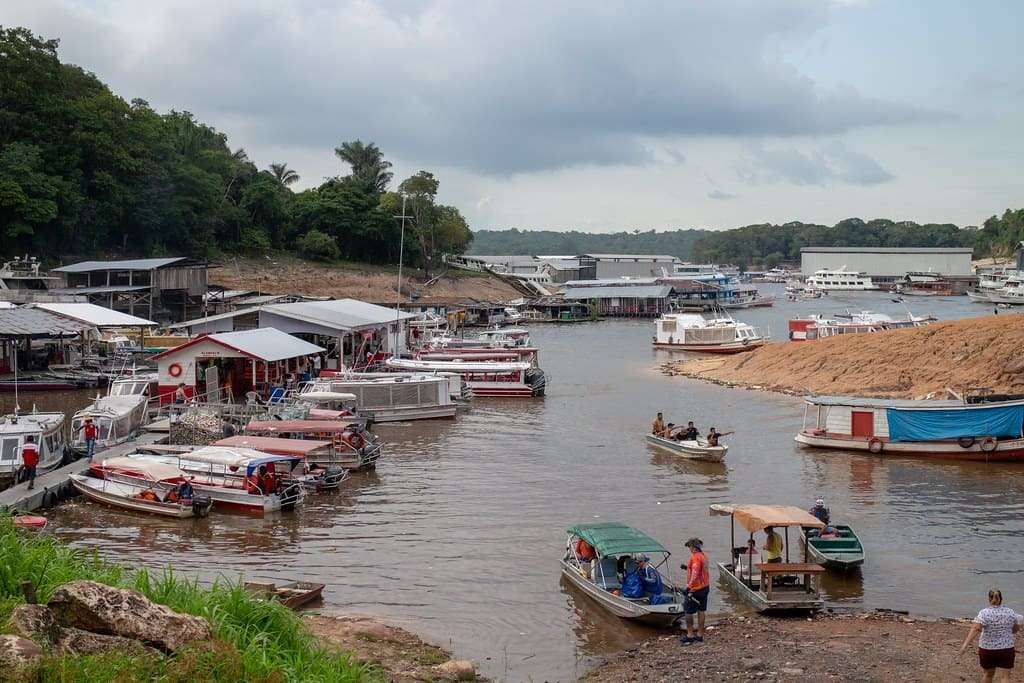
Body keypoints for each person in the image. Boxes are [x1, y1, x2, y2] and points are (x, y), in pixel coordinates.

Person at [959, 589, 1022, 682]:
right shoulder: (1010, 612)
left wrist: (964, 646)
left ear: (989, 599)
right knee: (1005, 677)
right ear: (1001, 599)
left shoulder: (984, 613)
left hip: (988, 649)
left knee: (988, 675)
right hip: (1006, 648)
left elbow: (976, 629)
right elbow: (1015, 629)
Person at [681, 538, 709, 644]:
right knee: (701, 610)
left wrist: (688, 587)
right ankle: (700, 634)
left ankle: (690, 634)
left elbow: (696, 573)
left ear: (693, 547)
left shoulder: (696, 557)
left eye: (689, 547)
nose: (689, 549)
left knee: (688, 611)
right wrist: (686, 568)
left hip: (695, 589)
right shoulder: (704, 556)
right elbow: (701, 571)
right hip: (705, 587)